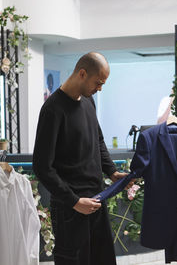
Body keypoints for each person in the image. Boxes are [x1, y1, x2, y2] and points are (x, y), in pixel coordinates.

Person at [33, 52, 131, 265]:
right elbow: (42, 167)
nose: (100, 89)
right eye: (98, 82)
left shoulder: (89, 102)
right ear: (82, 73)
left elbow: (99, 141)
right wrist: (74, 201)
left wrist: (112, 172)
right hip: (70, 208)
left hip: (97, 200)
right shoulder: (52, 110)